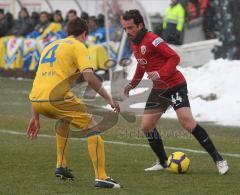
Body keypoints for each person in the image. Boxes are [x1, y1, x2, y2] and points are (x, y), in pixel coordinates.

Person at [121, 9, 229, 175]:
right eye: (125, 28)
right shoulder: (134, 42)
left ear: (140, 25)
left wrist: (159, 73)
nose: (127, 31)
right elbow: (142, 64)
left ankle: (219, 159)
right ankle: (163, 162)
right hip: (159, 89)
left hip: (175, 85)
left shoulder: (153, 40)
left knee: (187, 123)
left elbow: (174, 58)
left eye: (130, 28)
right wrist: (133, 84)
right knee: (147, 126)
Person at [27, 17, 121, 188]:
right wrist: (109, 99)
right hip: (56, 97)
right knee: (93, 125)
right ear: (84, 34)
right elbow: (89, 77)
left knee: (65, 119)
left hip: (37, 99)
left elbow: (39, 78)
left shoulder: (50, 46)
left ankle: (61, 166)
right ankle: (101, 177)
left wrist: (35, 116)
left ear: (68, 31)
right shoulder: (79, 46)